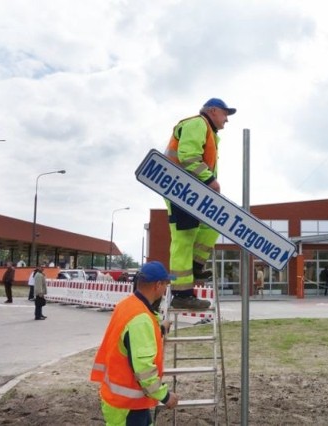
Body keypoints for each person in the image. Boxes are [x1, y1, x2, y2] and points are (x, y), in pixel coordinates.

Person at [163, 98, 236, 310]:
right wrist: (209, 181)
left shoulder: (209, 132)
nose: (227, 120)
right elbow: (188, 157)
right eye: (225, 114)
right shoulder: (197, 123)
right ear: (212, 111)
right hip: (180, 189)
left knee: (211, 224)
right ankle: (182, 294)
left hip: (191, 191)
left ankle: (195, 266)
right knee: (184, 239)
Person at [90, 261, 179, 425]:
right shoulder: (140, 319)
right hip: (128, 404)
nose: (166, 289)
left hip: (122, 399)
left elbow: (131, 341)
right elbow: (143, 367)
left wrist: (160, 330)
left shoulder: (127, 305)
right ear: (157, 285)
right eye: (165, 284)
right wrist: (165, 396)